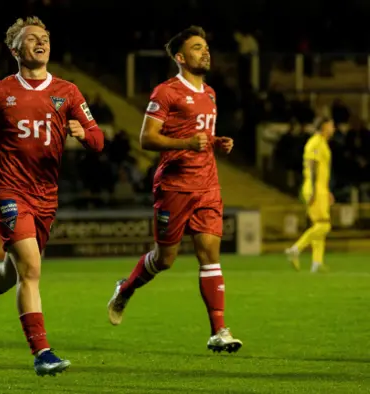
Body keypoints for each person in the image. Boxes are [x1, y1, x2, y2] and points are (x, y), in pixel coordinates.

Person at [0, 16, 105, 376]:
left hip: (45, 196)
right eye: (32, 39)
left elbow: (98, 138)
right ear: (15, 50)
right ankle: (42, 352)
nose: (41, 42)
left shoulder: (68, 92)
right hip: (8, 189)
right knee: (32, 270)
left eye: (45, 37)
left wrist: (84, 135)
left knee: (13, 272)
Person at [106, 26, 243, 354]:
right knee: (165, 259)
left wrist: (215, 142)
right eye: (197, 48)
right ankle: (125, 288)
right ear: (181, 58)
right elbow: (147, 138)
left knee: (210, 255)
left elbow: (200, 136)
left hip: (207, 185)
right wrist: (186, 142)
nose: (205, 52)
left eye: (206, 47)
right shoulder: (165, 93)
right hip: (174, 187)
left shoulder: (210, 94)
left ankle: (219, 330)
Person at [285, 118, 335, 273]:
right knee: (324, 225)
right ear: (325, 126)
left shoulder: (322, 142)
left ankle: (316, 263)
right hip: (315, 189)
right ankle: (295, 249)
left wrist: (327, 191)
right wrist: (313, 190)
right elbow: (311, 166)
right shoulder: (315, 143)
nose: (333, 128)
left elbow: (322, 170)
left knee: (318, 226)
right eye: (331, 125)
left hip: (321, 189)